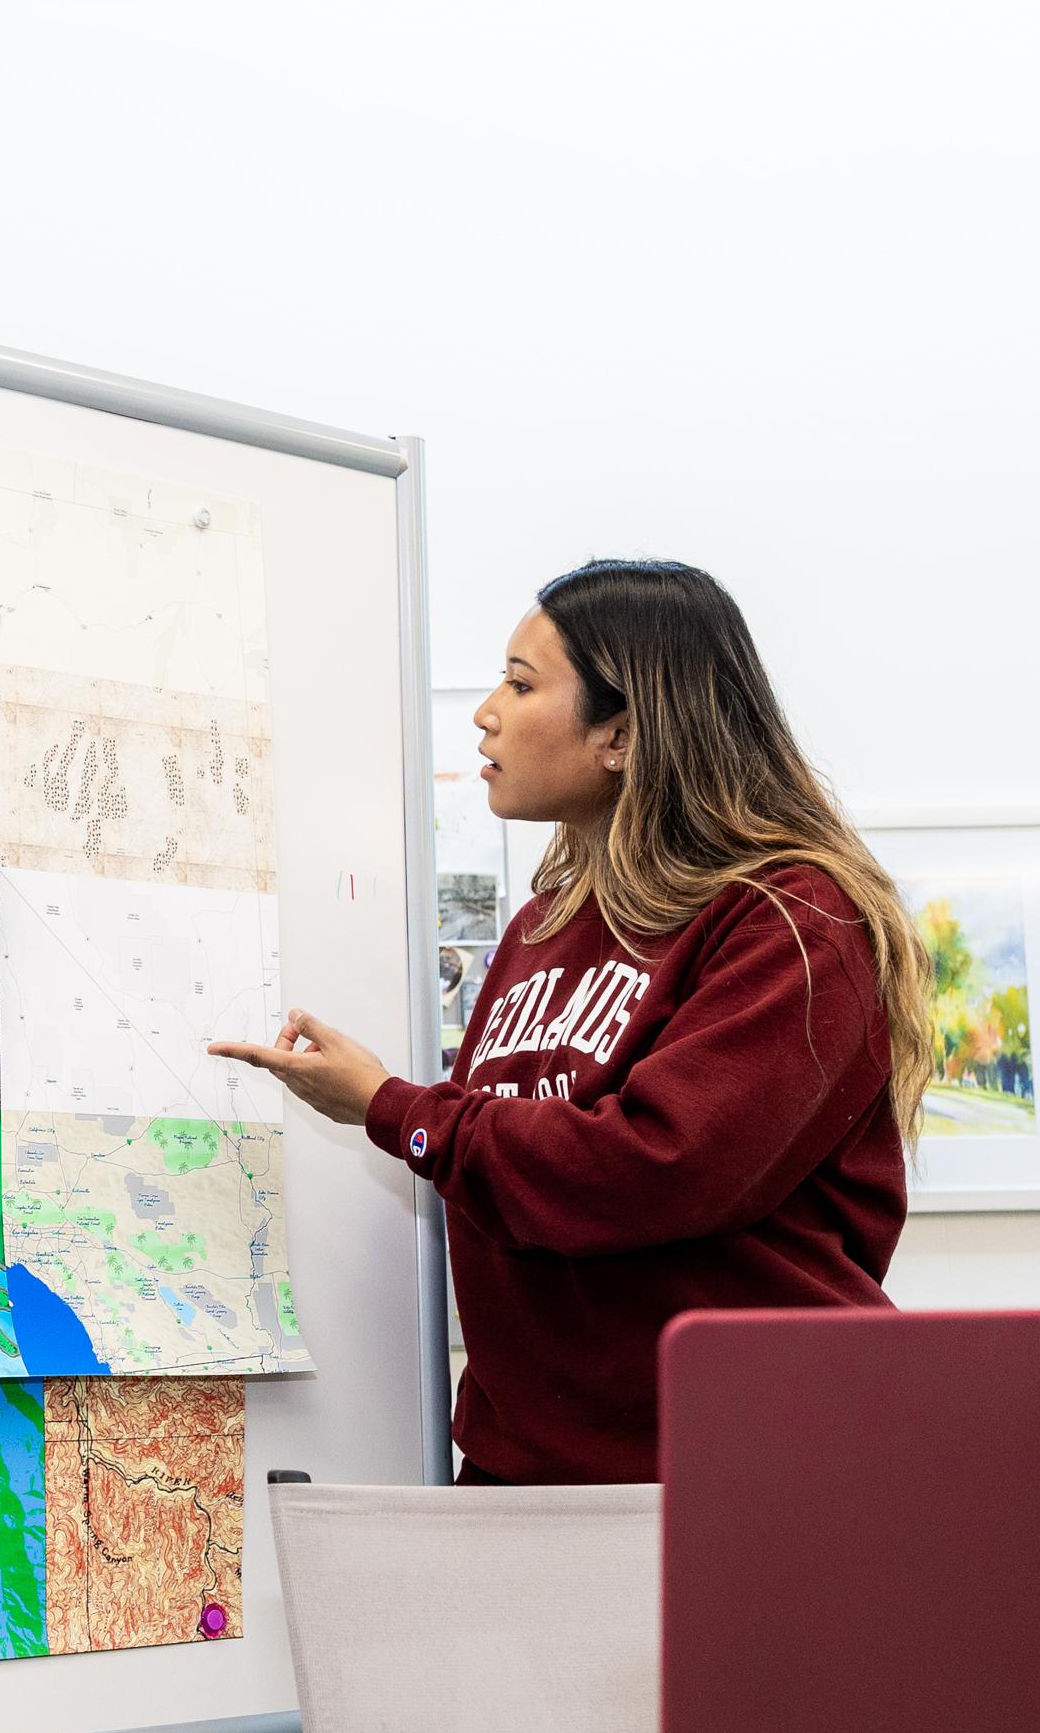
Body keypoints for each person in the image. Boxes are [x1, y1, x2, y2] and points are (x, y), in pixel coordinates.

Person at [212, 560, 928, 1484]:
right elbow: (504, 1172)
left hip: (746, 1472)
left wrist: (395, 1107)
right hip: (532, 1470)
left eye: (519, 682)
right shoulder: (540, 925)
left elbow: (653, 1165)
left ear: (621, 734)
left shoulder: (795, 918)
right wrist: (405, 1108)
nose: (485, 713)